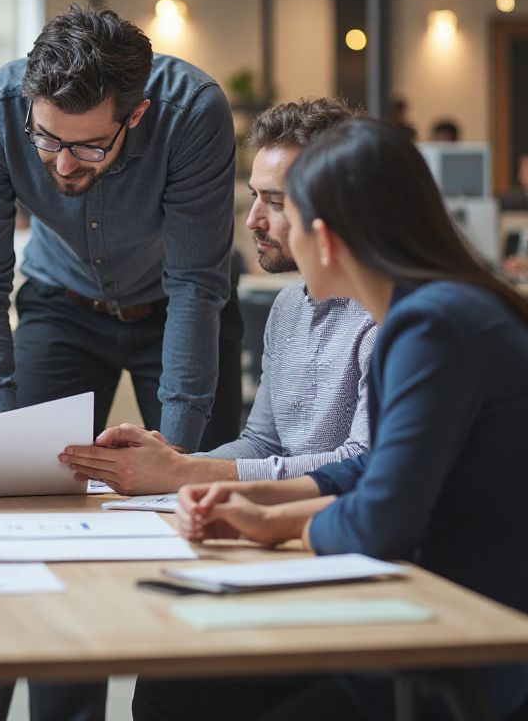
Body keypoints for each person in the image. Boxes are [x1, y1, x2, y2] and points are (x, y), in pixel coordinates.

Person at [136, 118, 528, 721]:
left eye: (287, 216)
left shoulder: (431, 325)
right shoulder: (434, 308)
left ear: (324, 239)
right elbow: (373, 474)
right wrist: (257, 507)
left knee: (187, 687)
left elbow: (382, 518)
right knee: (178, 686)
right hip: (447, 609)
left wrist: (273, 523)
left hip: (483, 639)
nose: (268, 229)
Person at [0, 4, 240, 721]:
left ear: (134, 116)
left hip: (180, 309)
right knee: (42, 506)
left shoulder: (192, 110)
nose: (59, 164)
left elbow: (196, 285)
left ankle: (179, 704)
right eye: (45, 140)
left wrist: (173, 454)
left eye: (86, 147)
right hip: (61, 302)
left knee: (199, 512)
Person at [59, 98, 375, 495]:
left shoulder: (381, 316)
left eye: (275, 203)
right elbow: (262, 445)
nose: (252, 220)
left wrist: (181, 474)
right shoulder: (290, 306)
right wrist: (166, 464)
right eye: (254, 196)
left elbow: (364, 462)